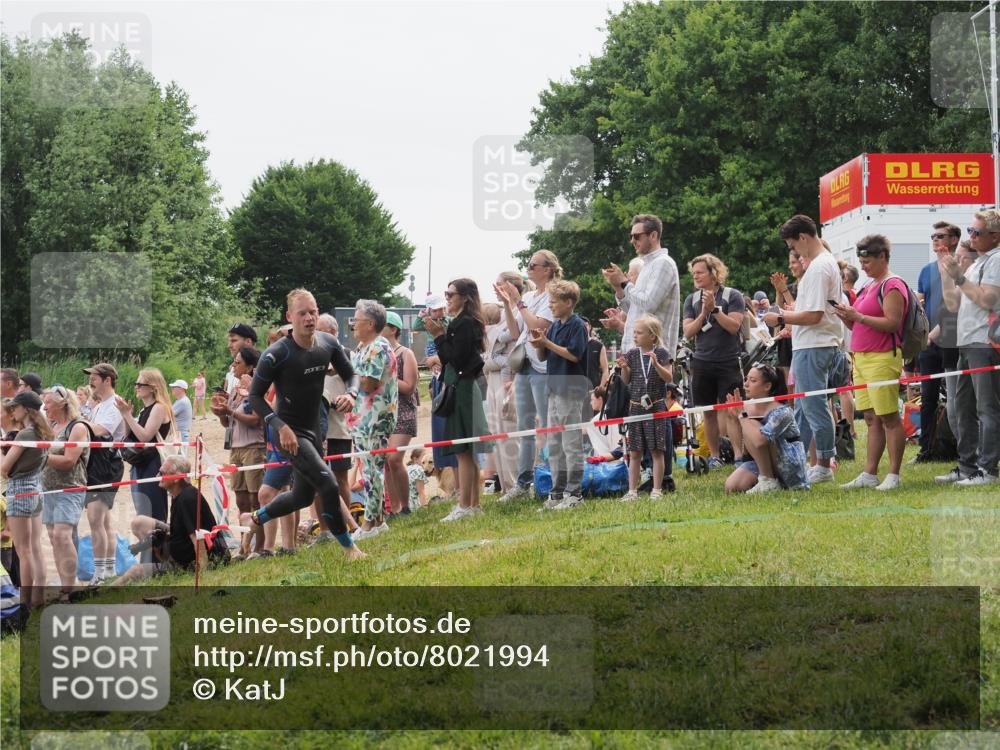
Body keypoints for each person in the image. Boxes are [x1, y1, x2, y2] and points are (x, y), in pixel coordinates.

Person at [244, 289, 363, 561]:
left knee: (301, 497)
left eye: (313, 311)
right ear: (290, 317)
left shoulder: (328, 343)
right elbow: (254, 396)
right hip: (289, 434)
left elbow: (350, 374)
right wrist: (279, 425)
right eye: (302, 313)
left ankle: (256, 517)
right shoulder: (276, 354)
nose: (309, 318)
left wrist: (351, 394)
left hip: (314, 429)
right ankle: (349, 549)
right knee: (329, 484)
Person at [764, 215, 843, 485]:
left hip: (815, 343)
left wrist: (781, 318)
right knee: (806, 409)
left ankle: (823, 463)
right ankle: (804, 461)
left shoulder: (820, 267)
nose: (794, 252)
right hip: (811, 343)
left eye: (792, 246)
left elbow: (814, 315)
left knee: (814, 407)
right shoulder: (820, 265)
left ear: (803, 238)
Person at [832, 235, 908, 491]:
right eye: (861, 261)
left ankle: (894, 474)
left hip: (882, 357)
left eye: (867, 261)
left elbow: (892, 323)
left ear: (883, 257)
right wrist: (846, 317)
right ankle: (870, 473)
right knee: (872, 418)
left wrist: (859, 316)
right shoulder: (868, 285)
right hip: (861, 358)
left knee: (889, 416)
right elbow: (857, 323)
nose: (862, 266)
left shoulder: (893, 285)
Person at [936, 209, 1000, 486]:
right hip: (966, 342)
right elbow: (953, 305)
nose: (971, 236)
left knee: (986, 409)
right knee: (963, 408)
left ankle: (987, 470)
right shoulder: (977, 263)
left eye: (977, 232)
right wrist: (947, 272)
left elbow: (987, 299)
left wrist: (959, 277)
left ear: (995, 236)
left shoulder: (995, 261)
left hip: (983, 342)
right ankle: (967, 466)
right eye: (970, 230)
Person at [424, 278, 493, 521]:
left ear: (465, 297)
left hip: (462, 388)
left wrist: (438, 336)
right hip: (463, 387)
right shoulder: (466, 321)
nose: (447, 298)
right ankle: (472, 504)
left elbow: (455, 358)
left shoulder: (464, 323)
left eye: (450, 294)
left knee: (464, 450)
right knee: (468, 451)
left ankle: (465, 505)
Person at [495, 251, 560, 502]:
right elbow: (515, 331)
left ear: (547, 269)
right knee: (524, 427)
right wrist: (507, 306)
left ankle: (552, 477)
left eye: (533, 265)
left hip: (542, 366)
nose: (529, 268)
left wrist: (518, 302)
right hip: (524, 365)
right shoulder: (531, 296)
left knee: (546, 423)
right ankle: (523, 482)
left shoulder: (553, 295)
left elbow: (538, 327)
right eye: (528, 264)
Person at [529, 280, 590, 510]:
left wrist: (547, 343)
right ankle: (557, 492)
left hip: (570, 390)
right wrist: (539, 344)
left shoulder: (577, 325)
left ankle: (574, 494)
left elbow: (574, 355)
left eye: (554, 301)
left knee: (571, 444)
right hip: (553, 389)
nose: (551, 305)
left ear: (569, 302)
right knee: (554, 445)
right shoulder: (554, 326)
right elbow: (544, 357)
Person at [681, 253, 746, 469]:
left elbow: (734, 326)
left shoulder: (732, 295)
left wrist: (715, 310)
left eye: (700, 272)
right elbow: (688, 332)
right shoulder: (691, 299)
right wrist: (703, 314)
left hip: (728, 360)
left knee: (731, 409)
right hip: (702, 361)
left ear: (714, 273)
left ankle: (738, 456)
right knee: (707, 411)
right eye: (694, 273)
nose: (696, 276)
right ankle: (715, 456)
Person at [113, 455, 221, 584]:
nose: (158, 475)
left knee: (134, 571)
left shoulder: (187, 498)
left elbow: (197, 537)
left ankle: (104, 592)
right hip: (179, 549)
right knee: (140, 523)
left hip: (185, 562)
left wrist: (203, 573)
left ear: (176, 478)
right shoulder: (179, 494)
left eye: (162, 473)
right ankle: (153, 561)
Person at [910, 222, 962, 464]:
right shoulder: (926, 270)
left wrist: (935, 331)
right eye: (932, 236)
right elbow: (921, 303)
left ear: (954, 239)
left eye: (940, 236)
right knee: (928, 397)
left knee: (956, 397)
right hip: (928, 343)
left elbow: (956, 307)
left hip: (953, 338)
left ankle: (959, 448)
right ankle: (926, 449)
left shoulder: (962, 266)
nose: (935, 240)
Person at [347, 300, 398, 539]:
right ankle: (377, 520)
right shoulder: (364, 347)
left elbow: (369, 382)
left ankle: (369, 523)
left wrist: (349, 374)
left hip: (375, 419)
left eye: (356, 321)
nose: (352, 325)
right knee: (367, 468)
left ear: (370, 323)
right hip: (362, 419)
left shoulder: (378, 346)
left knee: (372, 471)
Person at [602, 214, 681, 359]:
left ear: (653, 235)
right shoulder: (647, 265)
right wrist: (619, 288)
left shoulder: (663, 263)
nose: (632, 241)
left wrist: (625, 283)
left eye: (637, 236)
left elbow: (649, 304)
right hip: (637, 353)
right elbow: (636, 309)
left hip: (654, 356)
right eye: (631, 236)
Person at [724, 365, 809, 493]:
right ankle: (766, 479)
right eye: (746, 379)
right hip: (757, 461)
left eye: (752, 381)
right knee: (732, 487)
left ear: (767, 386)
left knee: (754, 426)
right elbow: (742, 434)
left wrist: (742, 417)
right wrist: (733, 417)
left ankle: (769, 481)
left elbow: (760, 441)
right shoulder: (746, 407)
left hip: (787, 464)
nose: (746, 384)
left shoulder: (782, 411)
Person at [215, 347, 267, 559]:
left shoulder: (257, 387)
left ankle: (258, 546)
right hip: (235, 448)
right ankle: (245, 545)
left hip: (254, 447)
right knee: (241, 500)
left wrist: (230, 411)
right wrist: (221, 413)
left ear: (250, 366)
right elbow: (229, 422)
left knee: (256, 500)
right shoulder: (235, 389)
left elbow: (256, 418)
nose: (233, 366)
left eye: (237, 363)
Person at [0, 391, 51, 608]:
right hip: (34, 486)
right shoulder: (42, 432)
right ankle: (36, 597)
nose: (13, 411)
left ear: (26, 409)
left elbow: (4, 469)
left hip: (20, 488)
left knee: (23, 550)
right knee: (33, 547)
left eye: (16, 407)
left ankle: (26, 599)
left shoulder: (25, 434)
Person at [40, 386, 90, 597]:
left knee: (62, 535)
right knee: (54, 536)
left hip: (71, 488)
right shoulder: (51, 425)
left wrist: (40, 457)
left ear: (62, 403)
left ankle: (71, 586)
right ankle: (65, 583)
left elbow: (69, 460)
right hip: (48, 488)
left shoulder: (77, 427)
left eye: (48, 402)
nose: (45, 406)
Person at [617, 315, 673, 501]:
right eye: (634, 332)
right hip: (636, 407)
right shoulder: (632, 354)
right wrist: (624, 368)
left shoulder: (663, 353)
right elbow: (626, 381)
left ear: (652, 336)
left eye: (639, 333)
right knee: (635, 451)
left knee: (657, 450)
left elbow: (669, 378)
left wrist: (656, 364)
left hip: (656, 406)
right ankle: (632, 490)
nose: (635, 336)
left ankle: (657, 489)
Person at [315, 314, 360, 540]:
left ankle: (347, 527)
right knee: (316, 478)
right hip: (314, 427)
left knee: (341, 478)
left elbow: (356, 383)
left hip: (340, 426)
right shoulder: (310, 353)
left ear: (333, 333)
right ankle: (324, 530)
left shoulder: (347, 355)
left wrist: (346, 397)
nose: (317, 336)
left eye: (322, 331)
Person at [82, 362, 126, 582]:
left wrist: (78, 427)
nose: (91, 380)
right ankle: (108, 569)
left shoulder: (115, 404)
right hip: (97, 463)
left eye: (95, 377)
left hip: (107, 464)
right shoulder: (100, 405)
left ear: (107, 380)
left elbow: (101, 431)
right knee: (104, 520)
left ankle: (101, 571)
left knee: (95, 518)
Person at [115, 368, 175, 523]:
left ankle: (158, 545)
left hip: (152, 464)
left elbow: (145, 437)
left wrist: (128, 415)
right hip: (141, 462)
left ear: (153, 387)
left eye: (139, 383)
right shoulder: (145, 409)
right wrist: (125, 415)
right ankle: (149, 543)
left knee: (153, 509)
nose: (136, 386)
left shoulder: (159, 407)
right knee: (142, 510)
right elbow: (129, 436)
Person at [483, 273, 522, 494]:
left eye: (499, 284)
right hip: (493, 380)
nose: (495, 288)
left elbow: (511, 346)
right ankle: (507, 487)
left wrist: (489, 359)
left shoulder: (518, 311)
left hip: (509, 380)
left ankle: (517, 484)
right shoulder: (500, 315)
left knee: (509, 432)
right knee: (496, 433)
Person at [420, 295, 459, 496]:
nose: (440, 313)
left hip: (453, 381)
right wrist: (439, 359)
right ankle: (451, 487)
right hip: (440, 384)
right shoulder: (429, 333)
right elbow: (430, 361)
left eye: (442, 309)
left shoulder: (452, 324)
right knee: (443, 431)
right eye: (435, 310)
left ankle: (458, 485)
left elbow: (450, 357)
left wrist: (440, 358)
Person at [382, 310, 418, 516]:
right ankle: (393, 508)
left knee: (394, 458)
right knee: (385, 461)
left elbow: (410, 387)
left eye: (382, 325)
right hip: (384, 412)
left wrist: (385, 378)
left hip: (404, 412)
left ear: (393, 329)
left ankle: (405, 506)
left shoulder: (406, 353)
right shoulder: (377, 353)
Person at [169, 380, 193, 455]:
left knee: (180, 459)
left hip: (180, 434)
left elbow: (168, 414)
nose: (172, 389)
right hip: (181, 433)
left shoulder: (182, 402)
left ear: (181, 389)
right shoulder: (182, 400)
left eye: (174, 387)